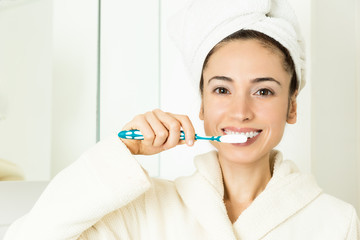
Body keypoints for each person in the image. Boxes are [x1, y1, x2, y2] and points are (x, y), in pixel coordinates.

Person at [4, 0, 360, 239]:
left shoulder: (336, 222)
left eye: (263, 91)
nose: (240, 111)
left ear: (292, 107)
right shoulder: (144, 209)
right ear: (202, 106)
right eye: (222, 90)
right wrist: (120, 152)